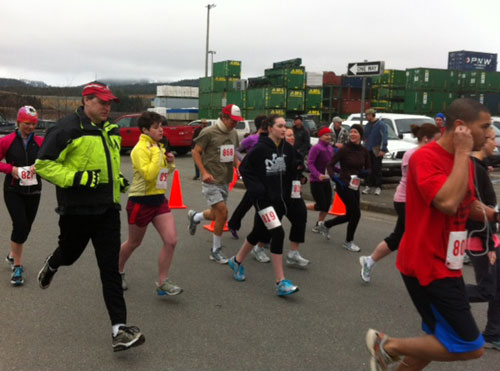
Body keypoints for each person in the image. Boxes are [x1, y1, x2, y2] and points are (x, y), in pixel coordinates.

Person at [366, 98, 494, 371]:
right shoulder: (426, 158)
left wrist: (494, 216)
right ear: (461, 127)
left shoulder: (466, 163)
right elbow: (446, 202)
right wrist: (462, 154)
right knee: (472, 346)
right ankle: (386, 346)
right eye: (484, 126)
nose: (489, 132)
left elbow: (465, 202)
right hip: (426, 264)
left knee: (436, 339)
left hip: (448, 263)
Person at [35, 82, 145, 352]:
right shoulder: (67, 128)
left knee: (111, 270)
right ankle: (53, 263)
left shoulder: (111, 130)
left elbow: (105, 163)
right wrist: (76, 178)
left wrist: (115, 180)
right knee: (70, 255)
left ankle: (119, 329)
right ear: (87, 101)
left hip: (107, 211)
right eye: (102, 102)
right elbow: (43, 164)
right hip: (77, 212)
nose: (108, 107)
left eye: (110, 103)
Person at [227, 115, 300, 296]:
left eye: (285, 126)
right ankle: (280, 282)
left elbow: (294, 165)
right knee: (278, 232)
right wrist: (258, 189)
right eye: (280, 126)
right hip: (263, 200)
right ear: (270, 128)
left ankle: (236, 261)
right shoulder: (260, 148)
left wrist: (299, 173)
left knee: (258, 232)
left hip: (280, 200)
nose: (284, 129)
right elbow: (244, 169)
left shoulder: (287, 149)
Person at [359, 124, 441, 283]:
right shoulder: (413, 154)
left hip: (416, 201)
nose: (438, 144)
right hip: (405, 201)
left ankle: (370, 261)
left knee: (405, 236)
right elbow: (418, 180)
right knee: (409, 236)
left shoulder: (427, 154)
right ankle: (373, 262)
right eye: (436, 140)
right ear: (426, 139)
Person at [118, 111, 181, 296]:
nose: (161, 130)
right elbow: (148, 174)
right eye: (156, 127)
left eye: (161, 126)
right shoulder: (140, 149)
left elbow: (162, 174)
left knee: (171, 241)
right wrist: (156, 154)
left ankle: (163, 281)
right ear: (145, 130)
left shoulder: (157, 147)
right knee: (134, 242)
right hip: (141, 201)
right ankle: (118, 271)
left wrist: (170, 163)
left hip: (159, 200)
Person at [188, 104, 240, 264]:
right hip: (210, 180)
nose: (235, 124)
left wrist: (238, 166)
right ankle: (215, 250)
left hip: (225, 179)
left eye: (237, 121)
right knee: (223, 213)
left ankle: (195, 216)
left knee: (215, 214)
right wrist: (203, 172)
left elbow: (233, 152)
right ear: (223, 118)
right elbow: (196, 152)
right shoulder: (208, 132)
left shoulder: (234, 133)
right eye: (233, 120)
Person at [465, 127, 500, 350]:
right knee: (487, 290)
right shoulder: (473, 169)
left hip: (490, 239)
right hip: (480, 242)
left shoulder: (480, 168)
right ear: (483, 141)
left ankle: (493, 333)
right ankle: (442, 296)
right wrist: (490, 245)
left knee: (497, 289)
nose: (496, 143)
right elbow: (475, 209)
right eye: (493, 139)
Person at [0, 106, 43, 286]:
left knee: (26, 228)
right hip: (13, 190)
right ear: (18, 122)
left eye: (33, 124)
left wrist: (40, 167)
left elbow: (50, 161)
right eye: (27, 123)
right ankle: (17, 267)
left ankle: (12, 255)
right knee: (20, 225)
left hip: (34, 191)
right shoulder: (7, 141)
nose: (31, 127)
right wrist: (12, 169)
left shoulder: (41, 141)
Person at [321, 124, 370, 252]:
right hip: (343, 184)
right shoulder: (344, 149)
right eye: (351, 132)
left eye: (355, 132)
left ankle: (326, 225)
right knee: (356, 214)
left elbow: (370, 168)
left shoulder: (364, 151)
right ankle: (348, 242)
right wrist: (334, 177)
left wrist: (365, 172)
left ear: (360, 135)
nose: (352, 134)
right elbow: (330, 165)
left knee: (350, 215)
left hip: (355, 185)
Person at [228, 115, 267, 243]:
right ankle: (261, 235)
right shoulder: (252, 139)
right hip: (252, 176)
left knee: (247, 202)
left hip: (265, 175)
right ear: (262, 126)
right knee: (260, 205)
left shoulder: (271, 139)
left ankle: (233, 223)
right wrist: (244, 160)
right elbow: (237, 150)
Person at [307, 127, 334, 239]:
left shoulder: (330, 148)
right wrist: (318, 175)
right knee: (321, 204)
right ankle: (302, 207)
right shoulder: (316, 148)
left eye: (329, 135)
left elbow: (331, 165)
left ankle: (319, 224)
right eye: (326, 135)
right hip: (316, 181)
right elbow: (310, 163)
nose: (328, 137)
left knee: (327, 204)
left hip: (326, 180)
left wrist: (340, 173)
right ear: (320, 136)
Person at [362, 108, 387, 196]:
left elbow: (384, 137)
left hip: (377, 149)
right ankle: (368, 186)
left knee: (377, 169)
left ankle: (378, 187)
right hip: (368, 149)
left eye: (367, 115)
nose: (366, 117)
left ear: (372, 115)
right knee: (368, 168)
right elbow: (365, 137)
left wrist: (383, 149)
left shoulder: (381, 125)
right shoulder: (368, 125)